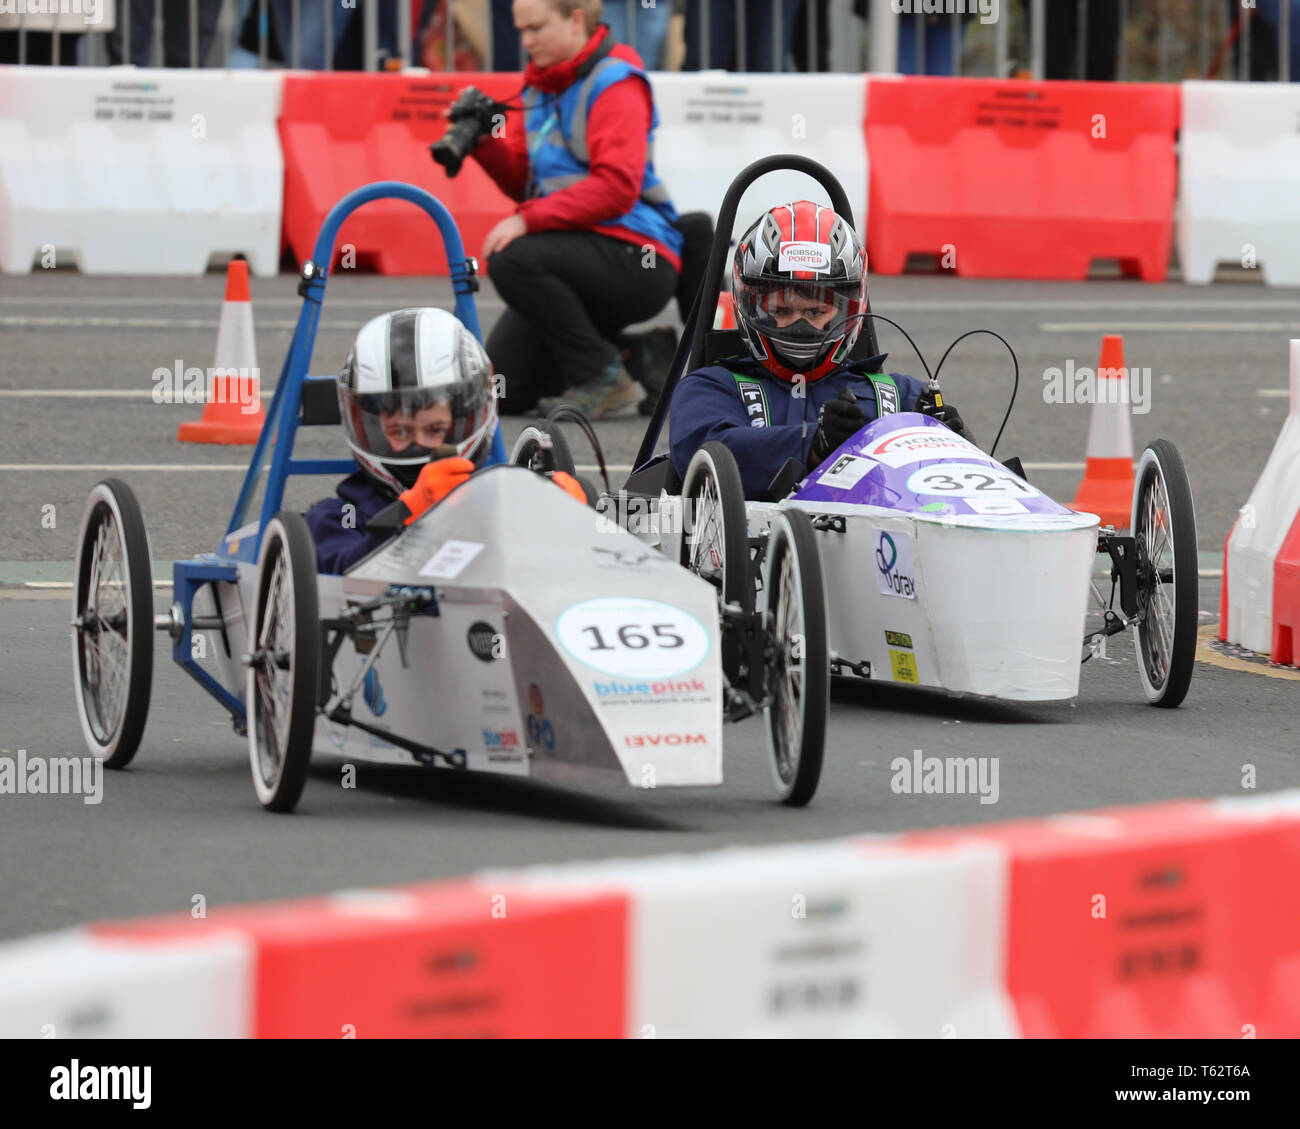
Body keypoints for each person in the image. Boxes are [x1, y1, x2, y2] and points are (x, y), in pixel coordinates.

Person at [466, 0, 683, 419]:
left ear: (576, 21)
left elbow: (617, 188)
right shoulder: (543, 84)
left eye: (536, 28)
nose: (526, 41)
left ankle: (602, 376)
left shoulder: (616, 82)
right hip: (581, 251)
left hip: (636, 254)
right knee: (504, 389)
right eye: (521, 30)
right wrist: (482, 144)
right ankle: (640, 355)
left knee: (511, 259)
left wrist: (527, 219)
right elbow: (527, 182)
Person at [669, 202, 971, 500]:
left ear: (850, 309)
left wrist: (944, 442)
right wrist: (811, 445)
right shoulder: (711, 387)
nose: (798, 325)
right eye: (780, 309)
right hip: (758, 543)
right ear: (749, 304)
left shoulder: (899, 395)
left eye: (814, 312)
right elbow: (704, 453)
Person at [306, 307, 584, 573]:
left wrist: (566, 519)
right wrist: (406, 514)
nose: (420, 444)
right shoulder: (339, 516)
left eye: (435, 429)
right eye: (400, 432)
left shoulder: (506, 503)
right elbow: (340, 574)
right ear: (369, 430)